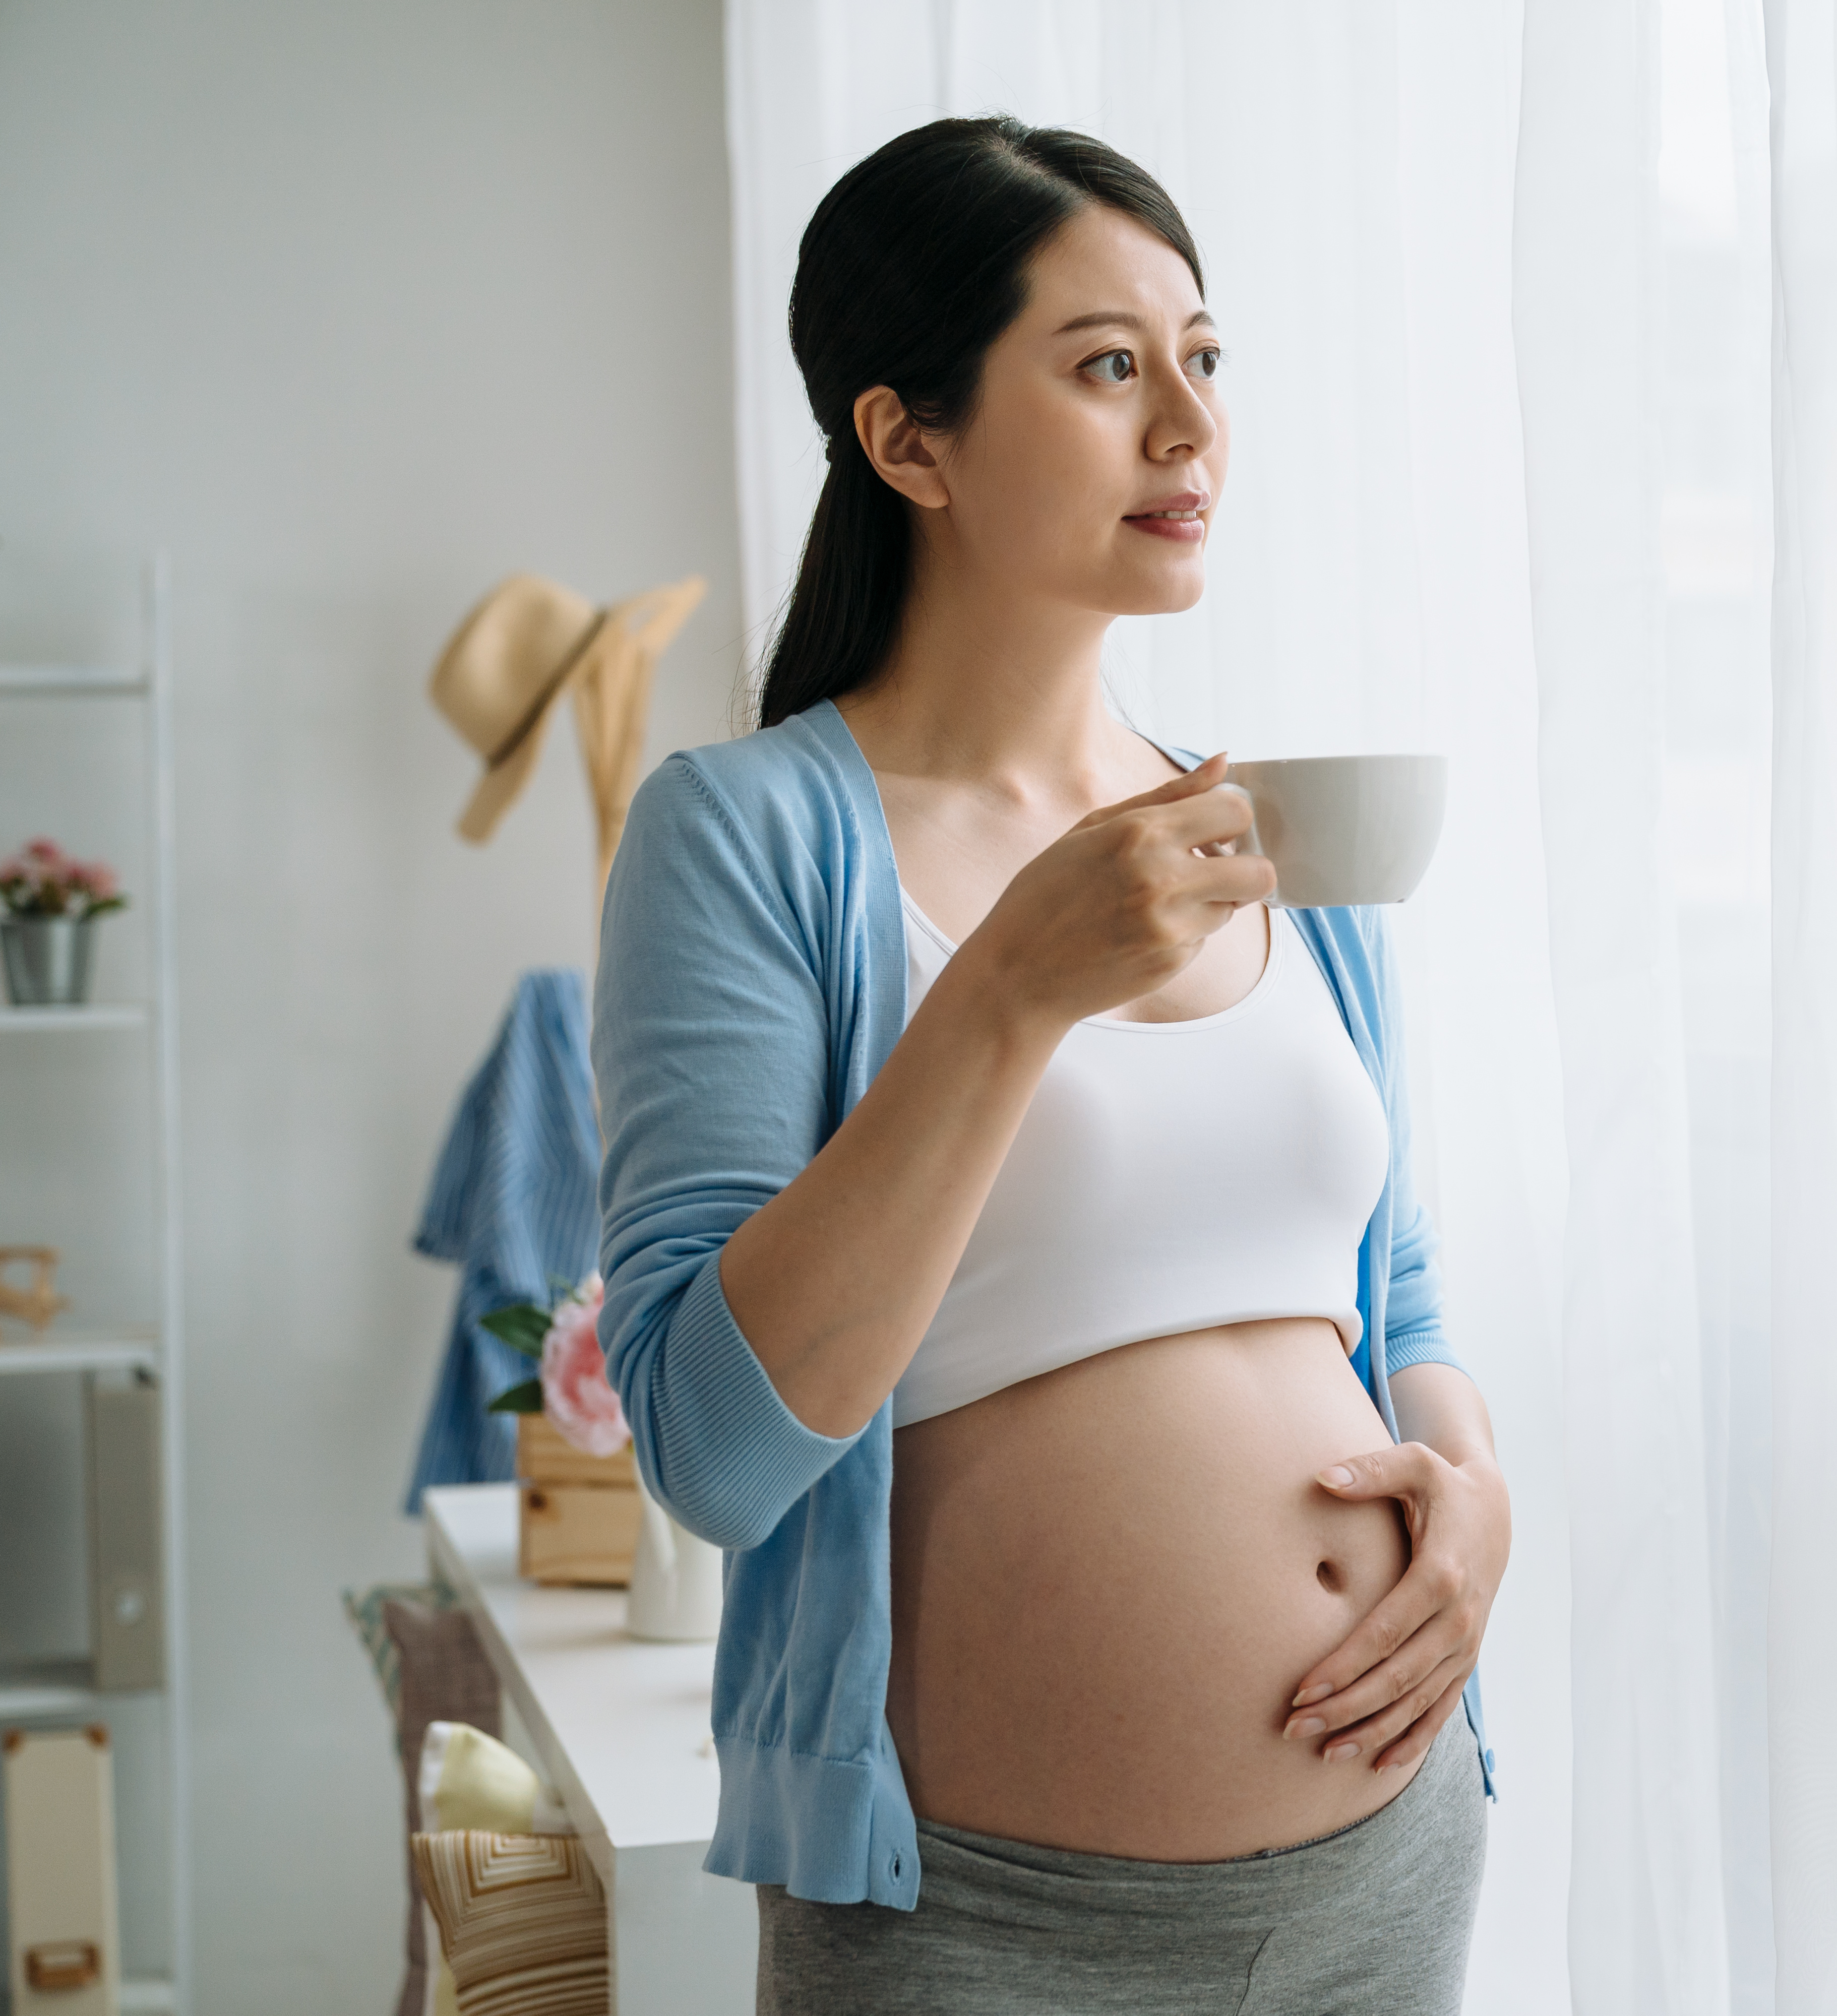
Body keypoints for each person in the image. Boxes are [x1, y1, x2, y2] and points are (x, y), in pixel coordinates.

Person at [591, 116, 1508, 2013]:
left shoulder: (1268, 832)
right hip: (984, 1928)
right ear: (906, 438)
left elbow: (1391, 1290)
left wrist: (1476, 1497)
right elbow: (712, 1450)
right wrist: (1006, 994)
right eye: (1108, 365)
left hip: (1391, 1872)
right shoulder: (746, 836)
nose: (1190, 424)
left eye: (1205, 357)